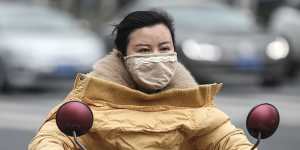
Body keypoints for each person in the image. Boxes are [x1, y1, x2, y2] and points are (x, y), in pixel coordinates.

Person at [28, 10, 255, 150]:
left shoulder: (194, 105)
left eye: (164, 48)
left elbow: (224, 137)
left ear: (174, 51)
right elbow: (51, 137)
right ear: (122, 56)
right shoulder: (88, 101)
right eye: (144, 50)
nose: (156, 56)